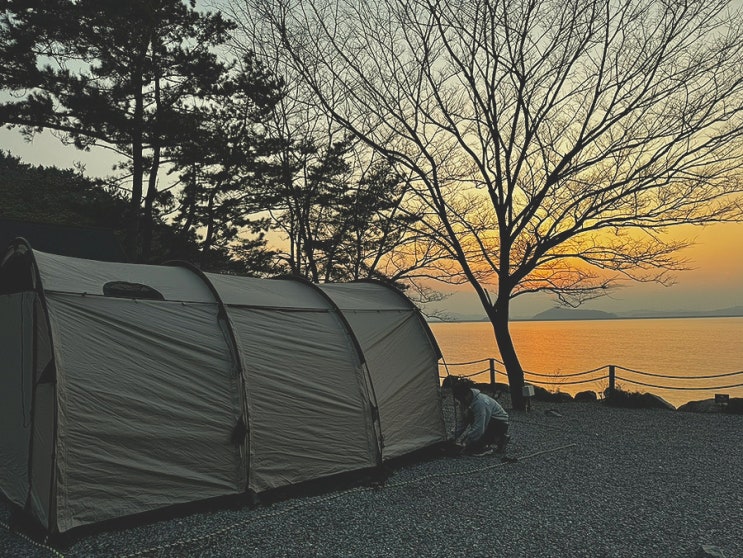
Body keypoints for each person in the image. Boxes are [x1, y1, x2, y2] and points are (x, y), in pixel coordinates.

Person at [452, 381, 510, 456]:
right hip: (488, 421)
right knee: (469, 416)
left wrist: (466, 441)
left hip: (499, 423)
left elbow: (480, 426)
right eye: (459, 399)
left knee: (472, 449)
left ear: (468, 394)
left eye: (462, 398)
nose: (461, 401)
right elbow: (462, 422)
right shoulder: (463, 402)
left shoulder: (480, 403)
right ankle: (497, 439)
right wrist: (453, 437)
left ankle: (496, 440)